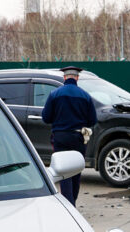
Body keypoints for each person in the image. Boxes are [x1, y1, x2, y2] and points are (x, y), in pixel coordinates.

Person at [42, 66, 97, 206]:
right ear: (77, 77)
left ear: (64, 77)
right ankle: (73, 201)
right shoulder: (85, 95)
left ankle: (68, 204)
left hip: (60, 137)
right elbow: (92, 121)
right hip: (79, 138)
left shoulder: (54, 94)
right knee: (76, 169)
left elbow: (46, 117)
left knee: (64, 170)